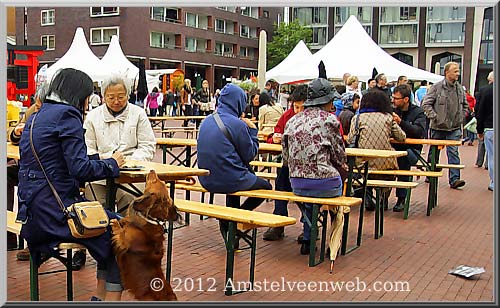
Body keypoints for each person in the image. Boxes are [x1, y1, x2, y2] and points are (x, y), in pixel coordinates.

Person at [16, 68, 126, 301]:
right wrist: (112, 165)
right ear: (79, 94)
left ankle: (100, 298)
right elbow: (80, 170)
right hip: (56, 215)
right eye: (87, 96)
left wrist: (101, 161)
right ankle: (108, 300)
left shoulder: (37, 115)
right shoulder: (67, 115)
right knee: (120, 232)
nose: (87, 102)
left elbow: (58, 162)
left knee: (109, 227)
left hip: (31, 216)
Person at [197, 84, 272, 245]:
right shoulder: (237, 124)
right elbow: (250, 154)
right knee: (266, 187)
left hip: (206, 179)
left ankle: (230, 232)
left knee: (233, 180)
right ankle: (232, 219)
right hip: (229, 179)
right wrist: (253, 131)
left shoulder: (206, 121)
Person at [282, 78, 347, 255]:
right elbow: (340, 156)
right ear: (327, 101)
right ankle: (334, 242)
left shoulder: (292, 121)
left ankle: (309, 237)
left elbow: (285, 158)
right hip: (324, 183)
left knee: (310, 198)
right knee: (338, 194)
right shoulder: (329, 120)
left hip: (297, 183)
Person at [84, 75, 156, 212]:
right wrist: (105, 161)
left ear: (128, 95)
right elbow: (88, 148)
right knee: (94, 203)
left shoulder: (139, 114)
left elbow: (148, 145)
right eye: (111, 98)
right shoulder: (93, 116)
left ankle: (127, 232)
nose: (116, 101)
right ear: (103, 96)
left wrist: (131, 161)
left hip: (132, 174)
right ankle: (102, 233)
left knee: (131, 200)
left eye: (121, 97)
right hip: (100, 174)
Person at [7, 83, 48, 261]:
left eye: (40, 106)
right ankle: (9, 236)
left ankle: (36, 242)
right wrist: (16, 132)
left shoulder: (61, 116)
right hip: (28, 167)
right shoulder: (32, 110)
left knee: (31, 185)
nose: (37, 109)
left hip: (48, 171)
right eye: (36, 105)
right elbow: (13, 133)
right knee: (6, 176)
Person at [347, 90, 406, 211]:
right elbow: (401, 137)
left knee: (361, 173)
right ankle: (383, 199)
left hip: (363, 163)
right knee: (390, 169)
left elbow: (350, 139)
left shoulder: (357, 118)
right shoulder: (388, 118)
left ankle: (368, 197)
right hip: (385, 163)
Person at [262, 85, 306, 241]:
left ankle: (308, 227)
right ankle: (278, 223)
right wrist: (273, 139)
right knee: (281, 187)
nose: (299, 111)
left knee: (304, 194)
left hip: (308, 168)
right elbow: (275, 134)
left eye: (302, 107)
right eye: (296, 107)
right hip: (288, 165)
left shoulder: (316, 119)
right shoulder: (287, 116)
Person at [421, 61, 468, 189]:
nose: (458, 74)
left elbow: (465, 105)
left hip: (454, 128)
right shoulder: (436, 87)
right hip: (438, 127)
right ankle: (431, 174)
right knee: (434, 152)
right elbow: (425, 104)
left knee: (453, 153)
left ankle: (455, 179)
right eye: (455, 71)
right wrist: (435, 117)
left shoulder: (459, 89)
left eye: (458, 71)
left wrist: (461, 117)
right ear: (447, 72)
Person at [391, 84, 426, 212]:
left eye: (396, 98)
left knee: (404, 159)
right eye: (393, 97)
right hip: (393, 148)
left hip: (412, 149)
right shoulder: (392, 110)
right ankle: (382, 197)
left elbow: (418, 132)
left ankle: (401, 198)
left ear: (406, 99)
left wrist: (401, 122)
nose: (393, 100)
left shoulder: (418, 112)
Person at [476, 71, 494, 191]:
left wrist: (480, 129)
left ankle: (494, 182)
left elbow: (480, 111)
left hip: (490, 127)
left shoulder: (485, 91)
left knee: (492, 156)